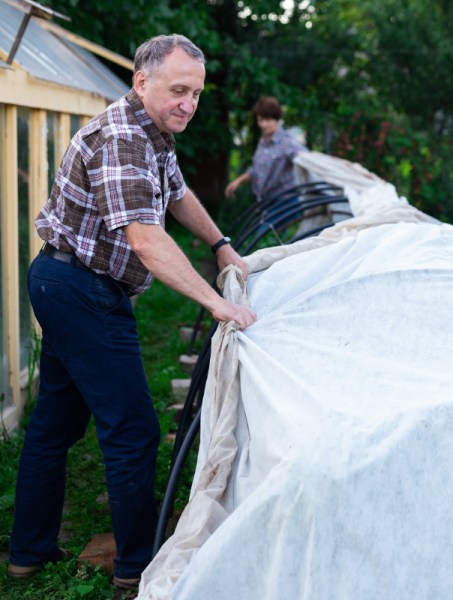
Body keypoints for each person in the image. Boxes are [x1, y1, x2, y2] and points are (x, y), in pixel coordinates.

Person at [7, 34, 256, 592]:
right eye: (177, 90)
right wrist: (218, 303)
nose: (188, 103)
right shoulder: (123, 138)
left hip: (68, 281)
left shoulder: (154, 131)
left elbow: (176, 194)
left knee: (56, 423)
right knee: (135, 430)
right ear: (142, 82)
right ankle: (137, 568)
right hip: (80, 289)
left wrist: (220, 244)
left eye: (195, 93)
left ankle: (28, 551)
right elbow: (144, 239)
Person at [224, 96, 307, 202]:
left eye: (268, 120)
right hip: (266, 203)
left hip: (286, 203)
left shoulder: (287, 142)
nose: (263, 124)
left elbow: (306, 159)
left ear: (276, 119)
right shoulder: (263, 142)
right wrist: (238, 181)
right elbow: (256, 169)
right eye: (261, 120)